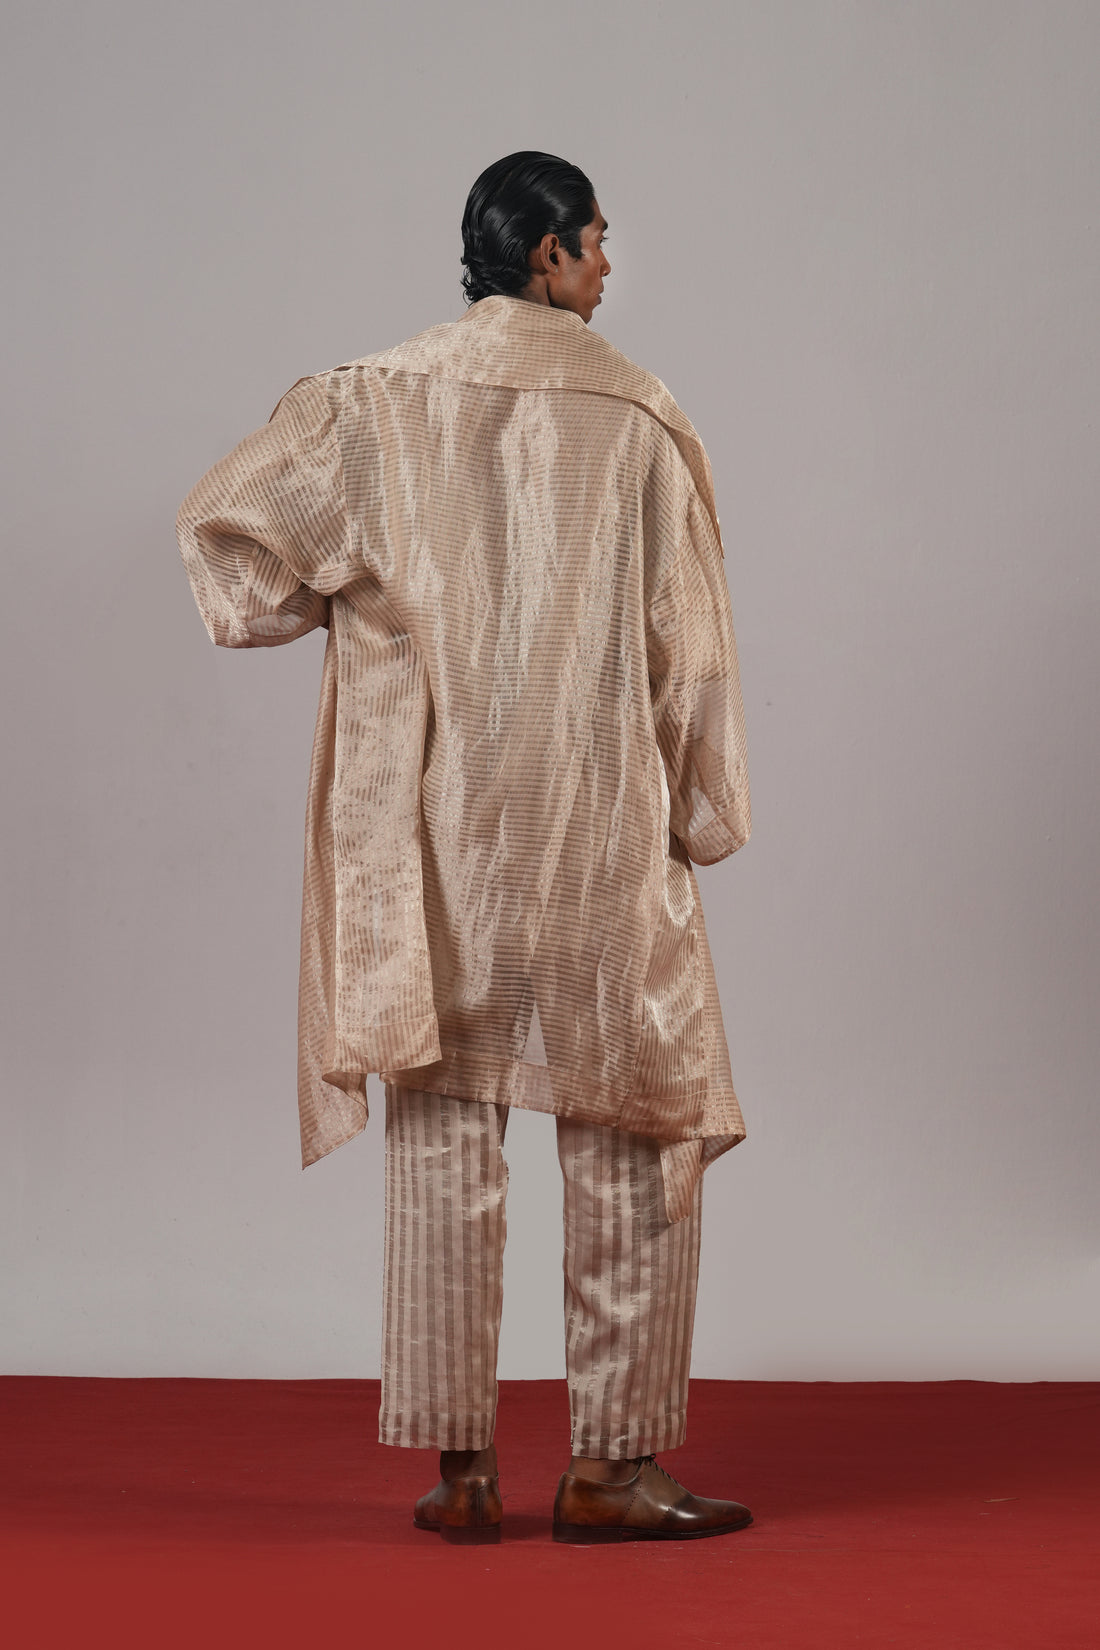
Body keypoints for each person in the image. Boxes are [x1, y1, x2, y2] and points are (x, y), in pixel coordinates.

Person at [176, 150, 753, 1545]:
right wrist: (701, 809)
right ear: (546, 252)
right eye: (596, 240)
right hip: (596, 832)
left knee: (444, 1131)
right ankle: (612, 1467)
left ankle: (463, 1472)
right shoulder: (641, 414)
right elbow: (688, 650)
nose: (608, 265)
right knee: (631, 1127)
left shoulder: (371, 400)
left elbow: (235, 566)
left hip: (435, 834)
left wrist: (355, 599)